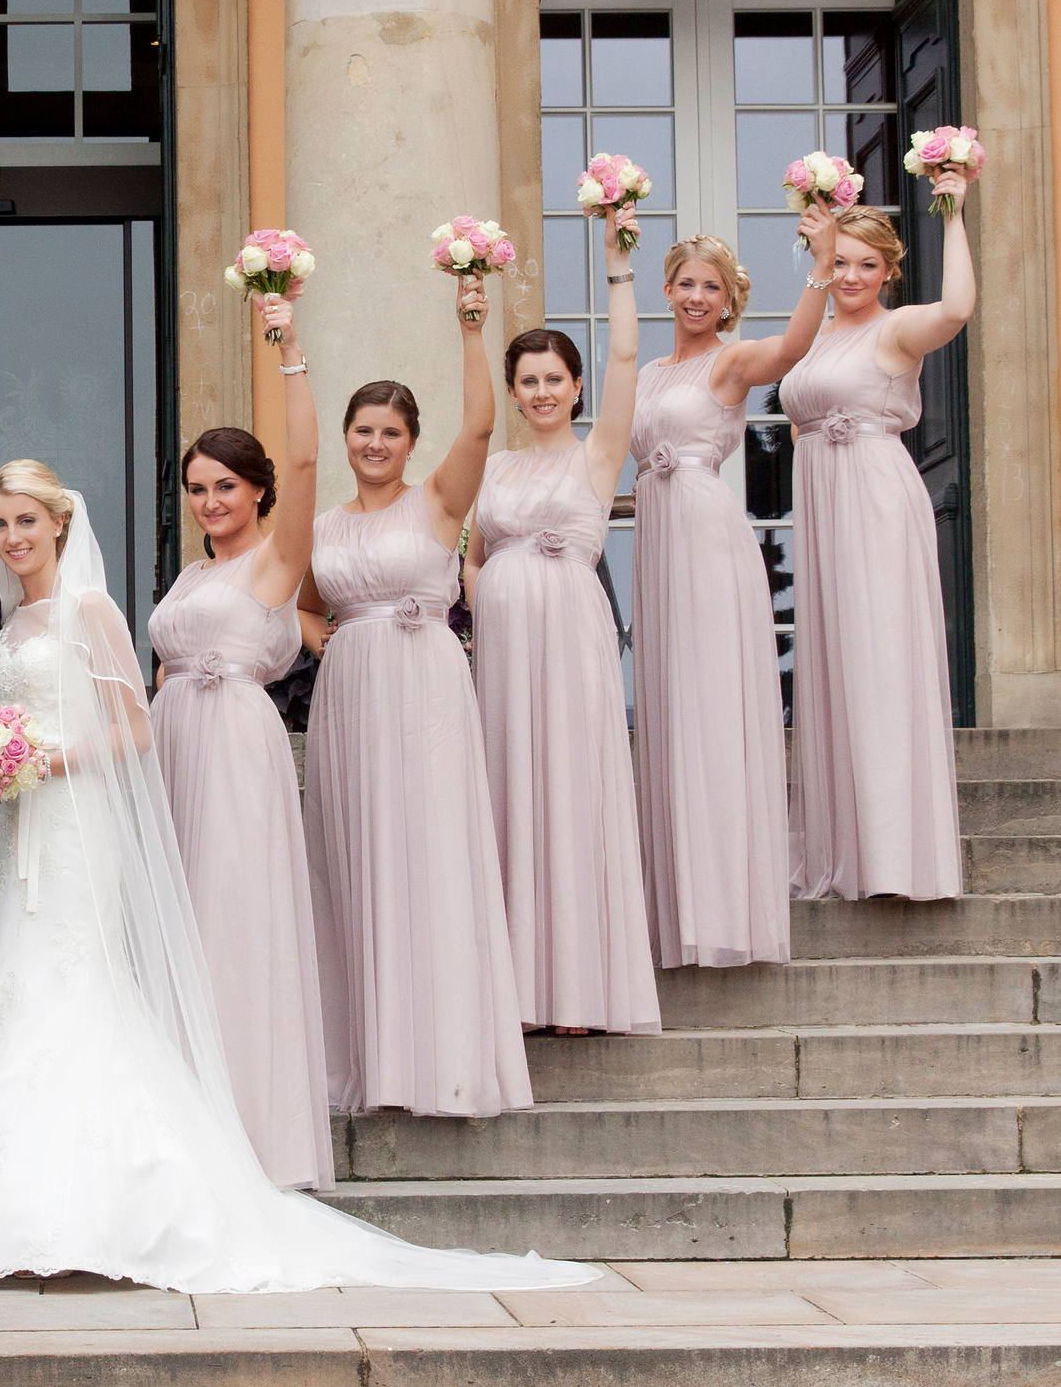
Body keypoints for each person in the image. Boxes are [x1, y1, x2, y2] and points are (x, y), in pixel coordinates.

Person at [0, 460, 587, 1294]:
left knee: (76, 988)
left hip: (77, 832)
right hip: (18, 839)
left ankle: (123, 1208)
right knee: (14, 987)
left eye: (25, 524)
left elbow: (135, 730)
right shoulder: (0, 617)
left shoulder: (90, 609)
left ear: (60, 526)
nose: (11, 539)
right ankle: (10, 1212)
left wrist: (42, 756)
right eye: (0, 525)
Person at [298, 278, 530, 1117]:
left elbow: (479, 423)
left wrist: (470, 323)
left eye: (390, 432)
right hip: (351, 698)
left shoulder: (437, 502)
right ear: (346, 439)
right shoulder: (321, 527)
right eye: (362, 431)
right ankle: (371, 1054)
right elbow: (299, 606)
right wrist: (340, 639)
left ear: (410, 442)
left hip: (427, 690)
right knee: (357, 855)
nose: (373, 443)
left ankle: (445, 1060)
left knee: (429, 853)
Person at [151, 283, 331, 1190]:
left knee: (235, 921)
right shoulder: (187, 575)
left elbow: (306, 465)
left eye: (224, 485)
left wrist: (287, 347)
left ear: (255, 490)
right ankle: (184, 1115)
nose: (209, 499)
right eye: (196, 488)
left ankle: (252, 1131)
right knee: (180, 924)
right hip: (172, 747)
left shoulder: (276, 558)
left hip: (236, 751)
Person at [468, 207, 660, 1040]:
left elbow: (626, 355)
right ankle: (513, 987)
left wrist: (617, 262)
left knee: (571, 788)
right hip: (505, 649)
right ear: (513, 393)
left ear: (575, 387)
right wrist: (486, 599)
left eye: (554, 378)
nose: (542, 391)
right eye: (528, 380)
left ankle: (577, 990)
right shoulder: (495, 465)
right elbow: (469, 555)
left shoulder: (598, 453)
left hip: (573, 637)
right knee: (511, 789)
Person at [630, 226, 829, 968]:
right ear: (668, 289)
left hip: (709, 540)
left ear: (728, 298)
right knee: (675, 707)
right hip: (658, 545)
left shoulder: (732, 360)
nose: (697, 296)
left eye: (711, 287)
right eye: (687, 283)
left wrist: (819, 263)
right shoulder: (647, 373)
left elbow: (792, 351)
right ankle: (677, 892)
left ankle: (726, 899)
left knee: (712, 705)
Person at [785, 179, 976, 900]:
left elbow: (957, 309)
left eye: (867, 264)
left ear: (890, 271)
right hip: (824, 505)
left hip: (873, 497)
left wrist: (954, 213)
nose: (852, 276)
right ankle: (849, 848)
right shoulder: (814, 333)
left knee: (881, 660)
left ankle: (898, 859)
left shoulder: (893, 330)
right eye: (840, 262)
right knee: (839, 666)